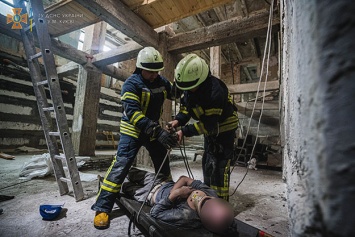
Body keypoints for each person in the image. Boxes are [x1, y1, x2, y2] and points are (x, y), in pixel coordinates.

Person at [92, 46, 178, 229]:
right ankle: (102, 207)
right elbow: (133, 114)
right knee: (121, 165)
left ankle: (169, 195)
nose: (154, 75)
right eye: (150, 71)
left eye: (157, 71)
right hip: (133, 130)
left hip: (152, 129)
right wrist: (158, 132)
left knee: (162, 160)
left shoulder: (161, 81)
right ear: (140, 68)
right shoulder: (131, 84)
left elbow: (177, 94)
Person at [168, 54, 239, 201]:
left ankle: (221, 202)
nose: (187, 91)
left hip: (224, 129)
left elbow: (209, 125)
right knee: (208, 162)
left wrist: (184, 131)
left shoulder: (215, 92)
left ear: (201, 80)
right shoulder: (190, 87)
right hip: (211, 130)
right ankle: (209, 198)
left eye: (190, 87)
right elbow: (186, 110)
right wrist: (177, 121)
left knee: (219, 166)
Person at [121, 167, 236, 235]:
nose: (199, 198)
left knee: (123, 185)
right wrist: (173, 191)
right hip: (159, 180)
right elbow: (184, 179)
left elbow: (155, 212)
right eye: (206, 200)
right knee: (128, 170)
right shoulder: (211, 193)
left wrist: (176, 195)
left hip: (148, 194)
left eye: (202, 204)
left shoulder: (187, 216)